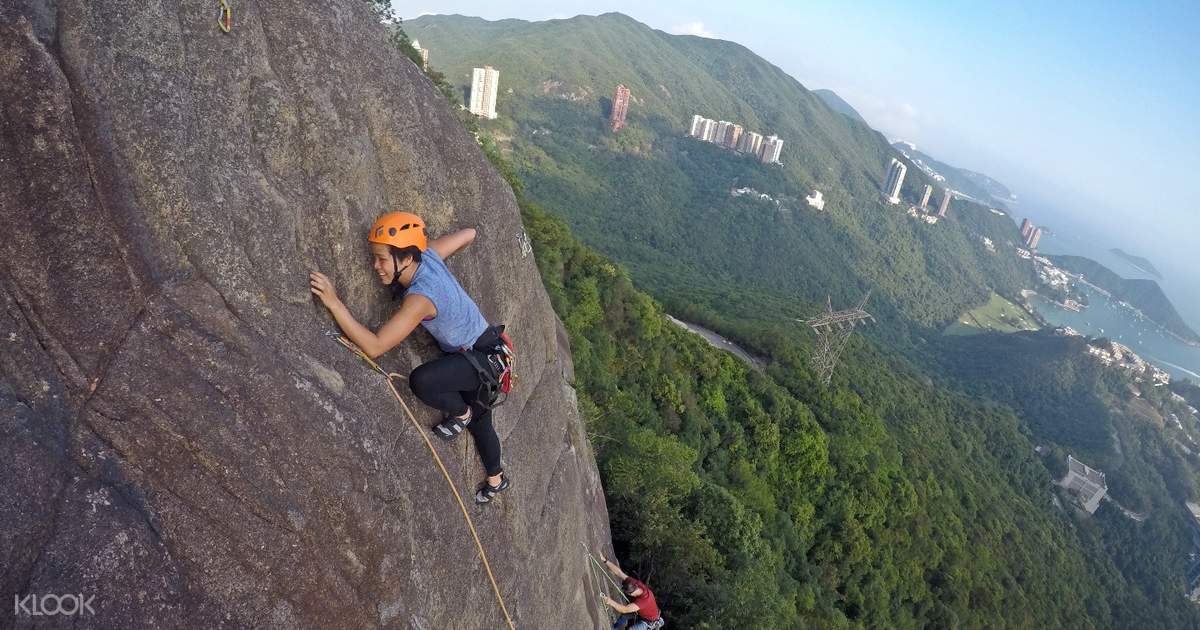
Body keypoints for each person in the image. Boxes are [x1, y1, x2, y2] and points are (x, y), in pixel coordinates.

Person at [309, 211, 511, 504]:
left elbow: (376, 346)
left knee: (423, 382)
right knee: (481, 420)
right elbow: (469, 234)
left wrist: (334, 303)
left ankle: (463, 419)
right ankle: (496, 477)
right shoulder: (427, 256)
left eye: (381, 258)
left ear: (405, 258)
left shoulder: (420, 298)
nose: (375, 266)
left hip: (479, 361)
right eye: (374, 258)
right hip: (486, 349)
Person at [598, 552, 663, 630]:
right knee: (624, 616)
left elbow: (625, 609)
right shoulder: (636, 584)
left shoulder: (643, 601)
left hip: (649, 621)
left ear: (631, 594)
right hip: (642, 612)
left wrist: (610, 602)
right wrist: (605, 560)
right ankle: (615, 628)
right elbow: (619, 572)